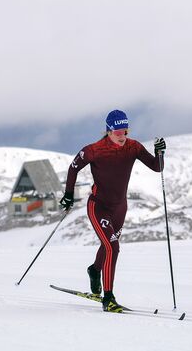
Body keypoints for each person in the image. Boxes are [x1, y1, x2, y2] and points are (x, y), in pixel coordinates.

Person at [59, 109, 166, 312]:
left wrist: (160, 153)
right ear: (108, 131)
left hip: (120, 208)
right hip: (98, 206)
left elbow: (156, 167)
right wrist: (68, 195)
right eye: (118, 131)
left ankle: (94, 270)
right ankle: (108, 298)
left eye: (125, 131)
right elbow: (73, 167)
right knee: (113, 247)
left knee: (109, 244)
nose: (122, 136)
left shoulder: (134, 147)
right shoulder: (94, 150)